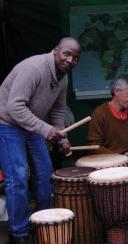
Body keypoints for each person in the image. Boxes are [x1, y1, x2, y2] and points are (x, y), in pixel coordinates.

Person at [0, 37, 80, 244]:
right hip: (7, 123)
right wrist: (46, 129)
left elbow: (58, 110)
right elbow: (14, 107)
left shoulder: (63, 76)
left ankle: (40, 221)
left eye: (75, 58)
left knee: (45, 174)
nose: (70, 60)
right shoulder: (33, 69)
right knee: (17, 177)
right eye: (67, 54)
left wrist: (62, 138)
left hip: (32, 123)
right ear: (55, 51)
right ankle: (18, 232)